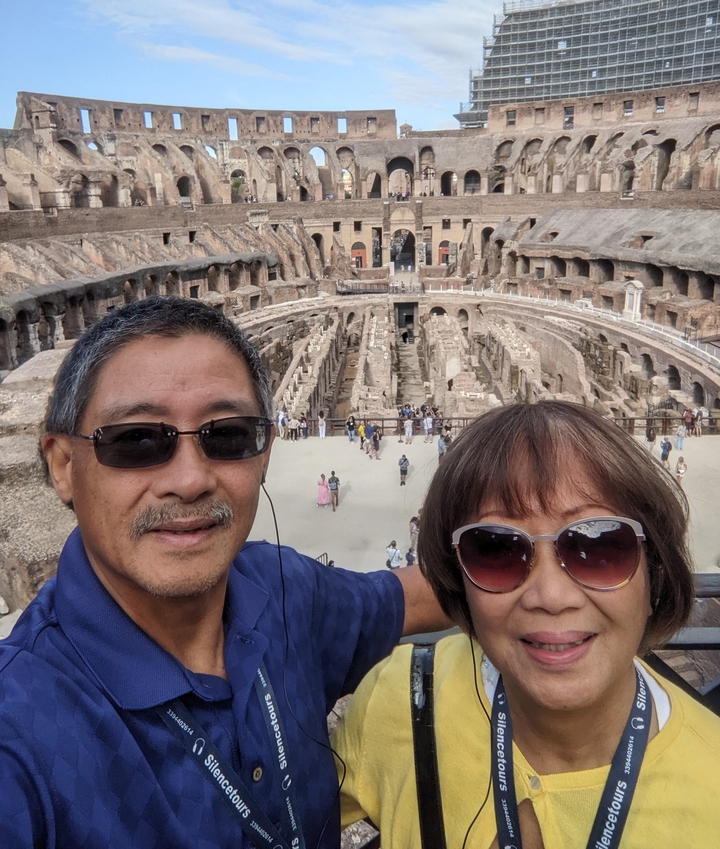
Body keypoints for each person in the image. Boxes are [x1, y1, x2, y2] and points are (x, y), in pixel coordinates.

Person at [0, 297, 449, 849]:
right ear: (63, 466)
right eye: (138, 440)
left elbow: (415, 597)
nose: (189, 480)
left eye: (227, 435)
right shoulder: (20, 725)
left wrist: (551, 570)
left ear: (263, 453)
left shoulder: (282, 587)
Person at [334, 402, 720, 848]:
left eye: (599, 545)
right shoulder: (397, 697)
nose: (550, 596)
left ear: (655, 571)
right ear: (458, 580)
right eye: (496, 549)